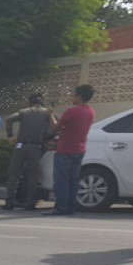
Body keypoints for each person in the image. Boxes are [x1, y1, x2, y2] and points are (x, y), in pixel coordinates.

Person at [47, 84, 95, 216]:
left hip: (65, 149)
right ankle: (70, 207)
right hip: (79, 149)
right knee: (73, 181)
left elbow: (56, 127)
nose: (72, 97)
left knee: (61, 180)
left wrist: (50, 114)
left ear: (79, 96)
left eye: (74, 94)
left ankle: (60, 208)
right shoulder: (90, 112)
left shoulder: (71, 111)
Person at [4, 94, 54, 210]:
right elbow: (55, 126)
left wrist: (10, 136)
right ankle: (29, 202)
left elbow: (9, 120)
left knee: (14, 174)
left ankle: (9, 202)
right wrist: (47, 139)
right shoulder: (46, 113)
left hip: (20, 145)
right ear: (42, 103)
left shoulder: (23, 112)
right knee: (32, 176)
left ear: (30, 103)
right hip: (36, 147)